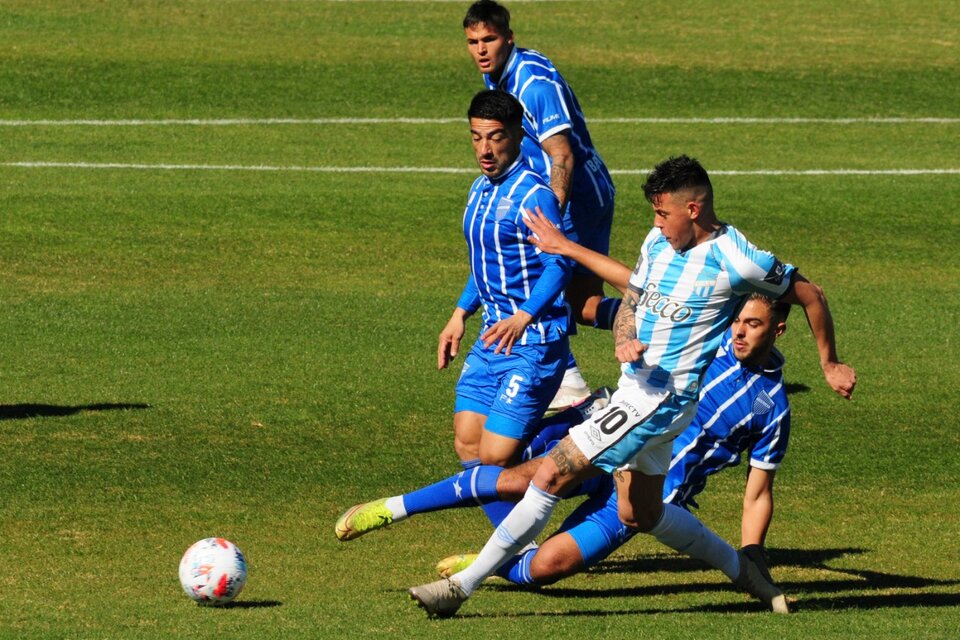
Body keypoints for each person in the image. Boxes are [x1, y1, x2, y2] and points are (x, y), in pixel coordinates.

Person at [408, 155, 857, 618]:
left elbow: (811, 295)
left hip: (658, 400)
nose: (657, 224)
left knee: (549, 475)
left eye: (664, 214)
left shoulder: (740, 260)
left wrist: (830, 362)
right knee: (641, 514)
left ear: (694, 209)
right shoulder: (657, 243)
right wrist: (624, 337)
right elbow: (633, 298)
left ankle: (460, 588)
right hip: (638, 392)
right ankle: (746, 575)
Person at [335, 296, 792, 594]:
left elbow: (758, 490)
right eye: (736, 321)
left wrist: (752, 554)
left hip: (642, 493)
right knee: (520, 480)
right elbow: (618, 307)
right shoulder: (703, 339)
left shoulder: (771, 409)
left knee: (547, 569)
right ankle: (393, 507)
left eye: (752, 325)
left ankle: (497, 561)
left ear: (779, 330)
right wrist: (553, 307)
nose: (738, 332)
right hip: (613, 435)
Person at [463, 0, 619, 409]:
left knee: (537, 283)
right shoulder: (496, 73)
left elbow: (562, 155)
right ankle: (658, 321)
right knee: (583, 306)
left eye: (490, 39)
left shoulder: (532, 83)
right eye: (473, 41)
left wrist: (550, 221)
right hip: (565, 195)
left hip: (575, 198)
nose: (481, 49)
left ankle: (570, 387)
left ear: (509, 37)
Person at [439, 88, 573, 537]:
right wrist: (459, 313)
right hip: (492, 339)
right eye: (476, 137)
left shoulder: (533, 196)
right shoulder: (478, 191)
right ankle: (514, 546)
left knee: (497, 458)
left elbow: (560, 263)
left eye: (495, 137)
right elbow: (486, 263)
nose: (485, 149)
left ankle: (576, 429)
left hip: (534, 343)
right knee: (468, 444)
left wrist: (527, 315)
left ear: (517, 135)